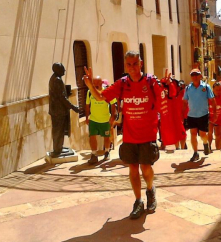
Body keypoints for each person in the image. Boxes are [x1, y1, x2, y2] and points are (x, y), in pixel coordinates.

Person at [83, 51, 172, 220]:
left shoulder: (151, 81)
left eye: (135, 63)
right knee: (132, 168)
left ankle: (150, 189)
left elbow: (163, 96)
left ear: (141, 63)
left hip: (147, 134)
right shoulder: (122, 84)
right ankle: (138, 201)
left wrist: (166, 85)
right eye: (129, 64)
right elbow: (101, 97)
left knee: (146, 168)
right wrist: (89, 85)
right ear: (125, 66)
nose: (132, 67)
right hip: (130, 136)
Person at [182, 69, 217, 162]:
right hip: (191, 115)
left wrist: (215, 113)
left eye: (196, 74)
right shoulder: (188, 88)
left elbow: (212, 100)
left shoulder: (206, 87)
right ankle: (195, 152)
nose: (194, 76)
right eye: (192, 75)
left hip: (203, 114)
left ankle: (205, 144)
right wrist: (182, 114)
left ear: (200, 76)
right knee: (192, 134)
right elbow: (185, 102)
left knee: (202, 134)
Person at [48, 63, 79, 157]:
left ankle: (58, 147)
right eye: (63, 69)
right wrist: (73, 107)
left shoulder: (54, 78)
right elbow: (62, 97)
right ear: (58, 70)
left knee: (58, 130)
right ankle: (57, 149)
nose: (64, 71)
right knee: (58, 130)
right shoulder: (57, 80)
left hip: (56, 110)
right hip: (58, 110)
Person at [85, 76, 117, 164]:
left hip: (105, 119)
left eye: (97, 84)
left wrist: (112, 117)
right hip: (94, 119)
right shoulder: (89, 92)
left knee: (107, 137)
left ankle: (106, 151)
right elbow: (87, 105)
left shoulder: (107, 92)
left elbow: (113, 104)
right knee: (92, 137)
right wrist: (87, 117)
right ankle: (94, 155)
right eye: (94, 84)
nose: (95, 86)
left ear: (101, 83)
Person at [208, 82, 221, 150]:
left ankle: (218, 150)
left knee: (218, 134)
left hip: (220, 118)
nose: (218, 91)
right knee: (209, 132)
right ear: (213, 89)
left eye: (219, 89)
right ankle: (208, 147)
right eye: (216, 90)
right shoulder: (208, 97)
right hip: (210, 118)